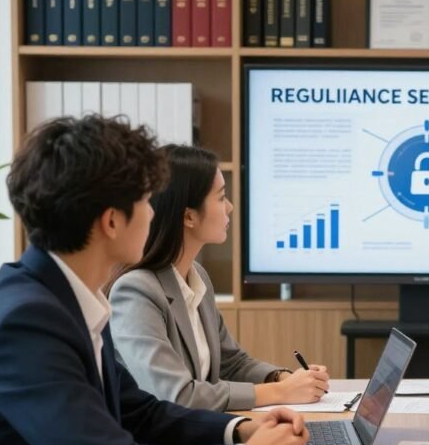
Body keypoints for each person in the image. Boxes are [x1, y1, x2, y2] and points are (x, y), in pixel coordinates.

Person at [0, 116, 309, 445]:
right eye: (145, 201)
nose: (155, 213)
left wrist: (239, 430)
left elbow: (140, 412)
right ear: (111, 221)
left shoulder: (66, 298)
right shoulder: (26, 323)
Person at [110, 145, 329, 412]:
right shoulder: (135, 292)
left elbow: (231, 363)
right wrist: (281, 392)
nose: (230, 207)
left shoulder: (196, 277)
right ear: (189, 216)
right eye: (221, 197)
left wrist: (282, 378)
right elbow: (177, 396)